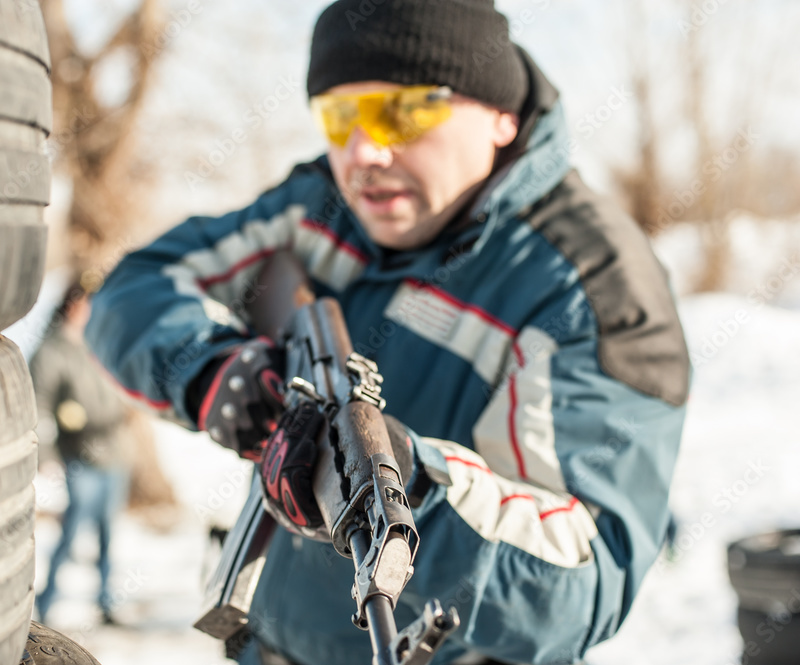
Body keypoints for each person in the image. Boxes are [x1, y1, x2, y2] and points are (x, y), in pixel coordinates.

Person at [84, 1, 691, 663]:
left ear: (500, 115)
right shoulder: (320, 207)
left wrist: (412, 487)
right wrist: (208, 375)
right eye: (340, 116)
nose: (365, 151)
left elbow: (590, 577)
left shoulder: (595, 287)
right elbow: (132, 287)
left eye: (404, 112)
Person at [32, 277, 132, 625]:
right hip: (80, 458)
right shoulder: (50, 352)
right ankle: (46, 606)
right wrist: (46, 455)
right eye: (85, 303)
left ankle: (106, 603)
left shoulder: (97, 344)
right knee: (72, 534)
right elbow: (39, 407)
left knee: (108, 534)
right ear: (72, 305)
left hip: (115, 454)